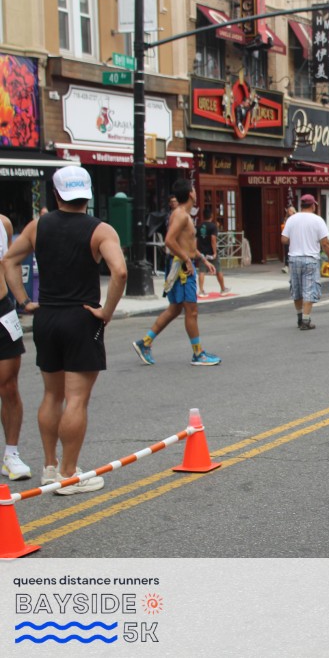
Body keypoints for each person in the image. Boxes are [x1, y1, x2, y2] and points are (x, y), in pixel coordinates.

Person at [2, 165, 127, 493]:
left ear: (57, 194)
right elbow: (120, 272)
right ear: (87, 194)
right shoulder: (100, 230)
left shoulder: (38, 226)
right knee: (76, 399)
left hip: (47, 317)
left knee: (52, 395)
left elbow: (9, 260)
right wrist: (106, 311)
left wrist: (24, 301)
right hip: (81, 318)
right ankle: (69, 475)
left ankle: (50, 468)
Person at [131, 179, 221, 366]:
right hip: (182, 269)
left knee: (174, 309)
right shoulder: (181, 215)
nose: (196, 192)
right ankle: (198, 354)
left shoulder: (182, 215)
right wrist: (187, 259)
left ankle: (145, 342)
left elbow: (186, 244)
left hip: (180, 265)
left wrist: (203, 259)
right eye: (194, 190)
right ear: (190, 194)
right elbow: (169, 241)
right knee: (191, 311)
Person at [282, 194, 329, 330]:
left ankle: (300, 318)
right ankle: (306, 321)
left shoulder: (292, 219)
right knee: (309, 290)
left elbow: (284, 240)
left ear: (301, 206)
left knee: (297, 290)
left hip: (294, 259)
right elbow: (325, 243)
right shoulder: (318, 220)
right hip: (310, 259)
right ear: (313, 205)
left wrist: (296, 238)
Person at [0, 213, 27, 480]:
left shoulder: (4, 224)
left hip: (2, 311)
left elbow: (8, 263)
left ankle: (11, 454)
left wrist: (23, 300)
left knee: (9, 386)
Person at [196, 207, 227, 297]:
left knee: (202, 271)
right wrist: (215, 252)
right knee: (218, 269)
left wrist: (196, 250)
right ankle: (223, 289)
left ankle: (201, 290)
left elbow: (196, 239)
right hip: (211, 251)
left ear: (203, 216)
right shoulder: (213, 226)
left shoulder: (198, 226)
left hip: (202, 251)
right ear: (212, 216)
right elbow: (213, 239)